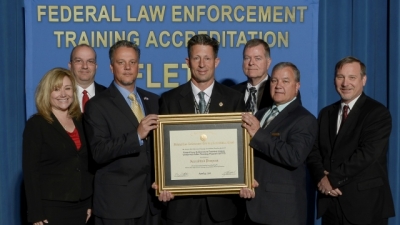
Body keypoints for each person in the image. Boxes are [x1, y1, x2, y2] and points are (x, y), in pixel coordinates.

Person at [157, 34, 245, 225]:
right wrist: (162, 181)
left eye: (207, 58)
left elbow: (241, 149)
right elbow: (161, 150)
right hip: (181, 206)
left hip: (221, 207)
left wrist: (246, 179)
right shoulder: (169, 99)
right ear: (188, 61)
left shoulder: (234, 99)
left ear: (217, 61)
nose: (202, 64)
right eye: (196, 58)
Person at [307, 56, 395, 225]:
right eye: (340, 77)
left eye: (352, 77)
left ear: (364, 80)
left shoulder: (377, 113)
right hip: (330, 205)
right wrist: (321, 177)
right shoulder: (326, 113)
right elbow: (313, 150)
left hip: (365, 207)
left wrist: (332, 180)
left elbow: (367, 154)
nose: (345, 83)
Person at [83, 40, 163, 225]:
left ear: (138, 66)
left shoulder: (154, 100)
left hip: (152, 203)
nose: (127, 67)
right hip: (117, 205)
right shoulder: (97, 105)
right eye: (121, 62)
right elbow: (99, 152)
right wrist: (136, 136)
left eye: (132, 62)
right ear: (111, 67)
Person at [240, 62, 317, 225]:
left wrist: (259, 134)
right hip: (251, 207)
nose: (278, 86)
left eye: (285, 81)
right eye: (274, 81)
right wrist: (244, 178)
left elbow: (294, 156)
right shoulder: (260, 114)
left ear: (297, 86)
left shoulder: (304, 119)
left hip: (281, 212)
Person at [23, 67, 93, 225]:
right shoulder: (37, 124)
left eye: (68, 88)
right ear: (47, 93)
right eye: (56, 89)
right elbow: (31, 171)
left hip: (82, 207)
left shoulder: (82, 121)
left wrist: (90, 202)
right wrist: (36, 213)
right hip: (51, 208)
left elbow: (88, 165)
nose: (63, 94)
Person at [232, 39, 301, 114]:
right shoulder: (232, 93)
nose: (251, 63)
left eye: (257, 58)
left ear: (268, 62)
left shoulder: (279, 90)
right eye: (247, 58)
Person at [68, 44, 106, 112]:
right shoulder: (61, 96)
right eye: (78, 61)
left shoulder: (108, 95)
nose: (85, 66)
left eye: (90, 61)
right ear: (70, 66)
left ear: (96, 66)